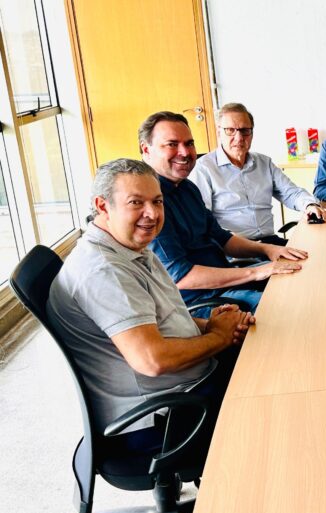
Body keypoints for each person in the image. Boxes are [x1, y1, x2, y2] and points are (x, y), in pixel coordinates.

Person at [47, 158, 253, 451]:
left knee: (271, 353)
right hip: (161, 415)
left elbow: (161, 318)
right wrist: (219, 337)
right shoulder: (104, 271)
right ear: (103, 206)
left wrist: (215, 325)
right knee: (272, 401)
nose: (152, 213)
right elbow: (153, 360)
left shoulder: (130, 246)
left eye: (158, 201)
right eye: (136, 203)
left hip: (183, 387)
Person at [141, 111, 308, 314]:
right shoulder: (150, 204)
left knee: (302, 278)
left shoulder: (187, 188)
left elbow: (222, 238)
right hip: (203, 301)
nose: (185, 152)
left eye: (189, 143)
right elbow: (182, 277)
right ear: (146, 150)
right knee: (288, 308)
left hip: (228, 282)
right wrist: (256, 272)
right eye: (172, 144)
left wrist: (267, 250)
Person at [190, 102, 326, 245]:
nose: (239, 138)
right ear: (219, 132)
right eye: (230, 130)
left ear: (252, 133)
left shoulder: (264, 163)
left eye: (245, 130)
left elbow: (291, 193)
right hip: (232, 247)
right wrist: (231, 240)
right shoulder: (204, 168)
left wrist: (310, 205)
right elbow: (202, 220)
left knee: (319, 252)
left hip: (270, 242)